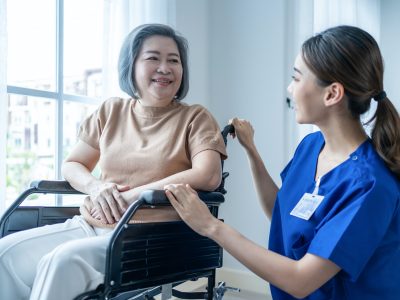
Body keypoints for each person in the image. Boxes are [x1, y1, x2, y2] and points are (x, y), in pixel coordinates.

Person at [165, 25, 400, 299]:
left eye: (297, 78)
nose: (290, 88)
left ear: (332, 94)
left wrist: (211, 227)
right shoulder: (312, 147)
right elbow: (281, 212)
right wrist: (252, 151)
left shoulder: (371, 185)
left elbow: (302, 280)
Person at [0, 23, 227, 300]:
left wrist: (134, 195)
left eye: (174, 60)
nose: (165, 68)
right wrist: (95, 187)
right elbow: (72, 164)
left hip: (149, 235)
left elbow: (208, 174)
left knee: (60, 261)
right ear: (131, 65)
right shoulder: (111, 111)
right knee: (5, 255)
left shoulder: (195, 117)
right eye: (153, 58)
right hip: (89, 225)